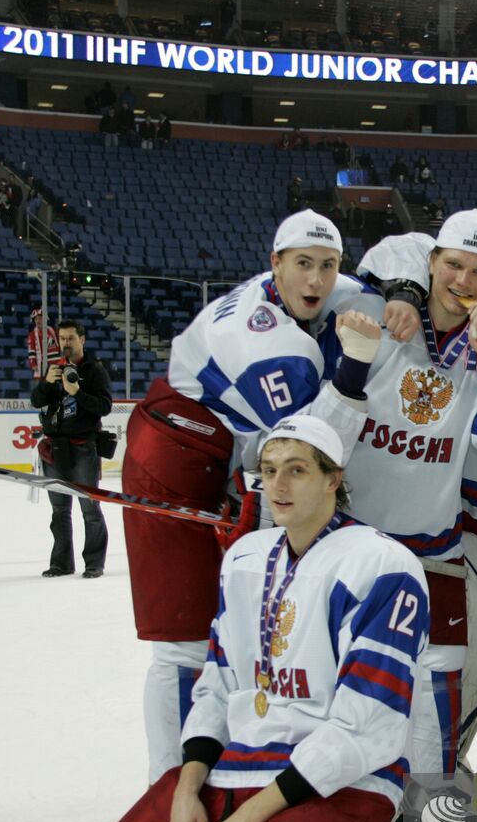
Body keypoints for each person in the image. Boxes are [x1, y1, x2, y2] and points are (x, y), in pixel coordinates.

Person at [99, 416, 437, 822]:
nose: (278, 486)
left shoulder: (382, 565)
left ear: (335, 480)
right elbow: (219, 681)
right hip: (244, 770)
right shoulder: (245, 558)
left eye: (298, 471)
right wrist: (187, 787)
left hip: (340, 782)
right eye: (270, 471)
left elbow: (367, 728)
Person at [122, 209, 386, 782]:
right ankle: (168, 787)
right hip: (172, 460)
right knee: (185, 640)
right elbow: (314, 452)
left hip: (224, 456)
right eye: (302, 266)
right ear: (275, 264)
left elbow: (384, 277)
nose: (316, 282)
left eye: (327, 266)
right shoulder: (267, 345)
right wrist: (355, 370)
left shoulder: (323, 290)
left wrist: (406, 297)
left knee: (234, 627)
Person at [351, 209, 477, 781]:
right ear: (431, 263)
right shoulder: (378, 317)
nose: (464, 281)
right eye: (454, 265)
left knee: (436, 688)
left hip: (435, 549)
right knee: (347, 680)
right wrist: (403, 293)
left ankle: (425, 815)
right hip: (353, 545)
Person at [30, 322, 112, 578]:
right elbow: (36, 401)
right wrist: (46, 383)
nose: (66, 343)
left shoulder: (95, 371)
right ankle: (61, 563)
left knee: (89, 508)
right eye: (63, 338)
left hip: (83, 447)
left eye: (71, 338)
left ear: (82, 340)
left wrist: (77, 393)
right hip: (54, 448)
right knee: (59, 510)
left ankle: (94, 563)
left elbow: (105, 407)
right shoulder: (53, 369)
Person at [27, 307, 60, 379]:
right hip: (42, 364)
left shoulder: (52, 331)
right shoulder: (32, 335)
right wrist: (33, 363)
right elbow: (31, 351)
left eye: (40, 318)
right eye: (36, 319)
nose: (38, 321)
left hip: (55, 362)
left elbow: (58, 345)